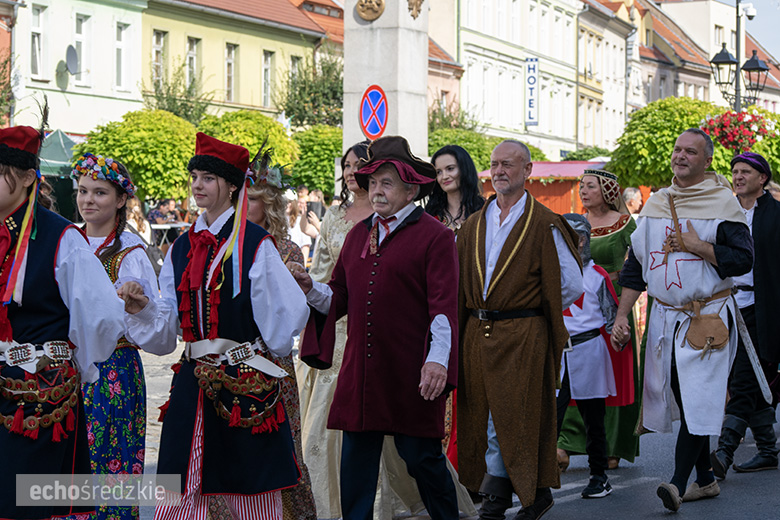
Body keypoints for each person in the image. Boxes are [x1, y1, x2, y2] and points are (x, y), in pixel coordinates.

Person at [118, 132, 309, 520]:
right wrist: (142, 309)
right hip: (192, 381)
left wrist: (255, 344)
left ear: (232, 186)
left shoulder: (256, 244)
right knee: (179, 487)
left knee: (248, 490)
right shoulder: (181, 247)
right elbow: (167, 323)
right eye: (195, 177)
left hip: (245, 386)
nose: (197, 186)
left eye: (208, 178)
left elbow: (288, 315)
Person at [291, 136, 460, 520]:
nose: (377, 191)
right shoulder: (358, 235)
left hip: (410, 372)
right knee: (356, 468)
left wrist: (436, 362)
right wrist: (310, 289)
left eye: (387, 183)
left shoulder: (435, 236)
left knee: (422, 460)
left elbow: (443, 308)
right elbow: (338, 297)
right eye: (373, 183)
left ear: (410, 188)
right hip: (363, 373)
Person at [610, 128, 753, 512]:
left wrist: (700, 247)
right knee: (683, 393)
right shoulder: (657, 204)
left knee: (698, 398)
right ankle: (705, 479)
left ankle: (676, 483)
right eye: (677, 150)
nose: (680, 156)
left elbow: (743, 260)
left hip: (706, 319)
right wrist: (622, 316)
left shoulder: (723, 204)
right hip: (665, 320)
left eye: (690, 151)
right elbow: (636, 266)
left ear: (707, 161)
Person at [0, 125, 126, 520]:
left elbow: (102, 316)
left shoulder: (62, 237)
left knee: (28, 505)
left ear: (25, 178)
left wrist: (74, 369)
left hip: (36, 396)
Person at [457, 139, 583, 520]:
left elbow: (572, 285)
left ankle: (495, 498)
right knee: (485, 413)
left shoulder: (545, 223)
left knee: (511, 415)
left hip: (524, 332)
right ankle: (537, 492)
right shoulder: (474, 223)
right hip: (478, 331)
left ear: (527, 171)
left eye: (508, 164)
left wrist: (530, 308)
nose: (499, 171)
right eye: (494, 164)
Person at [73, 153, 166, 520]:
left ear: (121, 199)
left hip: (114, 370)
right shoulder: (68, 242)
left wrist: (136, 304)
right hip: (66, 371)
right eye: (82, 191)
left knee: (111, 467)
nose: (88, 200)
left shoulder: (130, 252)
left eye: (99, 192)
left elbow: (154, 325)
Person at [246, 151, 317, 520]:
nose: (246, 204)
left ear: (269, 203)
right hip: (231, 361)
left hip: (273, 360)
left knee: (284, 444)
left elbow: (292, 315)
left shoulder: (286, 250)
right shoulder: (226, 247)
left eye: (253, 198)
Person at [558, 170, 639, 472]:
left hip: (615, 299)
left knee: (612, 375)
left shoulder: (626, 225)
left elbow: (639, 262)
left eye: (590, 186)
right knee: (571, 370)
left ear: (606, 190)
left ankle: (612, 445)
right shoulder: (572, 225)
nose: (583, 191)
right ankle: (566, 442)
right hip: (574, 301)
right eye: (581, 186)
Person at [709, 151, 779, 479]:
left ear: (762, 178)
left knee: (744, 380)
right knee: (751, 378)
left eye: (745, 171)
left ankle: (723, 451)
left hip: (763, 310)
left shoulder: (776, 215)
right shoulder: (725, 213)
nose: (738, 177)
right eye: (735, 171)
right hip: (727, 307)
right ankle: (767, 449)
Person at [556, 213, 618, 499]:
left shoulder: (597, 276)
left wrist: (621, 332)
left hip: (589, 350)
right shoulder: (552, 273)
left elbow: (612, 317)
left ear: (582, 241)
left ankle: (598, 476)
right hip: (558, 353)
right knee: (551, 417)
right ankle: (539, 479)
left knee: (593, 417)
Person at [426, 144, 485, 232]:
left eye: (450, 168)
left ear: (464, 169)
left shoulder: (485, 210)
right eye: (439, 172)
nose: (444, 176)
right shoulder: (431, 216)